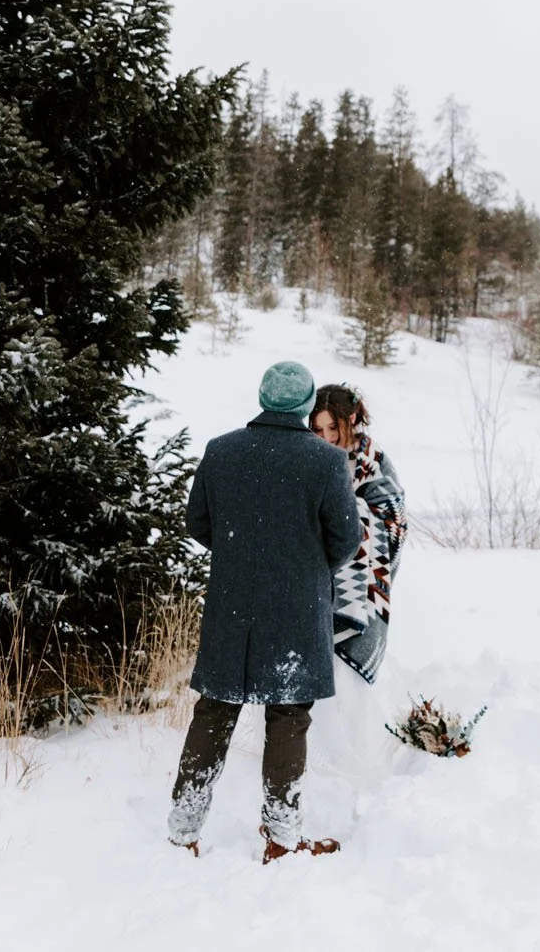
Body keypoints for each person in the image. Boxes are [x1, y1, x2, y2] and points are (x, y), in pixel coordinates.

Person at [168, 360, 359, 863]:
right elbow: (345, 542)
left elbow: (198, 524)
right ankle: (281, 837)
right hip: (296, 610)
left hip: (232, 604)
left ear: (262, 398)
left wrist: (240, 558)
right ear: (304, 405)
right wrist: (301, 564)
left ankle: (183, 829)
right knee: (289, 717)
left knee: (213, 712)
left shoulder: (221, 450)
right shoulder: (324, 462)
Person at [311, 384, 407, 685]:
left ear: (351, 419)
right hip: (316, 571)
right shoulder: (311, 455)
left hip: (360, 576)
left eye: (332, 427)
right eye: (317, 428)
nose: (326, 437)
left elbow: (395, 519)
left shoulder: (373, 460)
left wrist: (349, 511)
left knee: (342, 684)